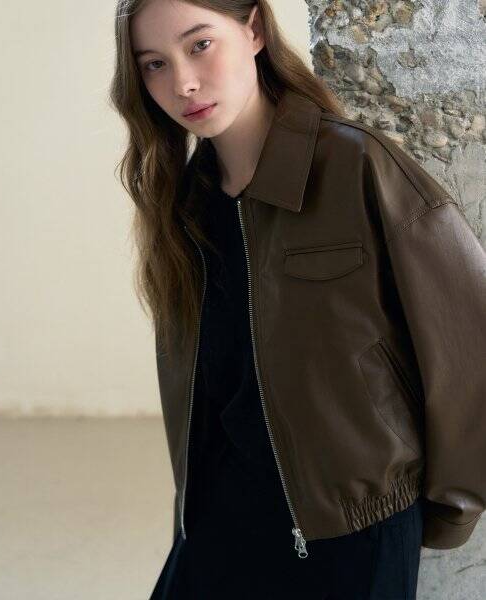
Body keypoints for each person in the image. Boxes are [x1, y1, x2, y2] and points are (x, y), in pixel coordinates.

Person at [108, 0, 486, 598]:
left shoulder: (357, 166)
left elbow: (470, 345)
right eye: (153, 63)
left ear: (254, 30)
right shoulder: (182, 205)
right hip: (220, 510)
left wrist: (448, 512)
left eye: (200, 45)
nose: (182, 83)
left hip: (353, 527)